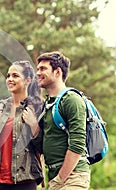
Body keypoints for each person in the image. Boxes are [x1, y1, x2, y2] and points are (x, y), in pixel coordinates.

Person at [0, 61, 44, 190]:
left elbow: (43, 148)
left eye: (15, 76)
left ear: (27, 80)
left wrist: (34, 126)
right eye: (8, 76)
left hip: (24, 182)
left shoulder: (37, 108)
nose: (10, 79)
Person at [35, 51, 90, 189]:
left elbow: (77, 144)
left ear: (57, 72)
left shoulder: (71, 99)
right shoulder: (48, 104)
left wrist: (60, 178)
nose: (38, 73)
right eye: (37, 69)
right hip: (55, 177)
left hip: (73, 177)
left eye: (43, 69)